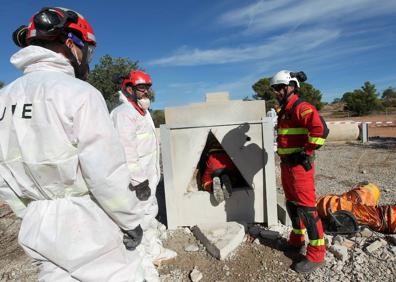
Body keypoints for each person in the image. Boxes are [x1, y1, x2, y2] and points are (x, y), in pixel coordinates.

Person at [0, 7, 158, 281]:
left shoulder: (4, 100)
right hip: (90, 226)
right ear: (72, 45)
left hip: (38, 227)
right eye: (87, 50)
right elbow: (104, 173)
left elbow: (4, 176)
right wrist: (130, 220)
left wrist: (33, 213)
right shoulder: (79, 94)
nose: (87, 59)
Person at [110, 70, 177, 265]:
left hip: (148, 174)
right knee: (141, 216)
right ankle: (148, 257)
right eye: (141, 88)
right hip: (137, 179)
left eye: (147, 88)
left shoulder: (141, 112)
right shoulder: (124, 115)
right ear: (129, 89)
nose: (146, 92)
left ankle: (152, 245)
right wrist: (139, 182)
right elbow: (126, 152)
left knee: (149, 211)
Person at [270, 70, 329, 273]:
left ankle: (316, 254)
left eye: (279, 87)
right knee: (292, 205)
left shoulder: (301, 108)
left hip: (299, 167)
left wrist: (307, 152)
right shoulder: (285, 109)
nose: (276, 92)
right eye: (275, 88)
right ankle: (296, 240)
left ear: (291, 86)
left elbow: (320, 131)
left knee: (307, 209)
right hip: (287, 165)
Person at [201, 138, 236, 204]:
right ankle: (226, 181)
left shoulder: (209, 144)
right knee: (233, 177)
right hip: (227, 161)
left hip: (213, 161)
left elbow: (202, 166)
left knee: (205, 182)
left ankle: (212, 185)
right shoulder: (226, 142)